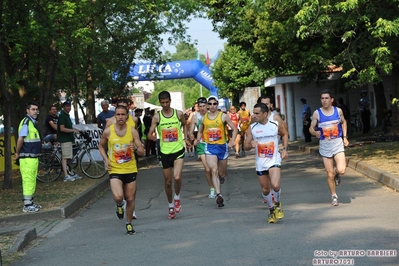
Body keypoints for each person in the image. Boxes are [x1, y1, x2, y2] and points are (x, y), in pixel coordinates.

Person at [98, 105, 145, 235]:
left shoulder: (132, 131)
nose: (120, 117)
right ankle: (119, 205)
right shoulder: (108, 131)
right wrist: (106, 160)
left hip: (130, 168)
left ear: (127, 116)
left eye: (123, 114)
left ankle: (129, 223)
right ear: (115, 116)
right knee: (118, 197)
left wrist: (135, 148)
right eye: (118, 114)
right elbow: (101, 147)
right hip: (115, 169)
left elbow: (142, 151)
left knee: (130, 199)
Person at [147, 91, 190, 219]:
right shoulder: (157, 117)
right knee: (168, 182)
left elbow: (184, 125)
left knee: (177, 177)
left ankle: (177, 197)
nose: (165, 104)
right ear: (160, 102)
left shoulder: (178, 114)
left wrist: (185, 137)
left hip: (178, 149)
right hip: (164, 152)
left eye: (167, 102)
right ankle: (170, 204)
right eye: (163, 102)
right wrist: (154, 139)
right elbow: (150, 133)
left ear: (170, 101)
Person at [244, 103, 289, 223]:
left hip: (274, 159)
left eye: (257, 113)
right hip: (260, 162)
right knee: (265, 189)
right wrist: (250, 145)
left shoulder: (274, 124)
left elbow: (284, 134)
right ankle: (271, 210)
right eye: (254, 113)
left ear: (265, 114)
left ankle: (278, 204)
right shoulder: (252, 128)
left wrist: (285, 149)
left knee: (275, 185)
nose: (254, 115)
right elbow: (246, 146)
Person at [194, 96, 238, 208]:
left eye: (214, 104)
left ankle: (221, 178)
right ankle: (219, 195)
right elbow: (200, 131)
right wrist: (197, 140)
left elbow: (234, 128)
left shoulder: (222, 116)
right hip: (210, 147)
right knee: (213, 170)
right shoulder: (204, 118)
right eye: (210, 104)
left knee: (222, 173)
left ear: (217, 104)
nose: (212, 106)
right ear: (208, 105)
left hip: (222, 147)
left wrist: (232, 141)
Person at [309, 89, 349, 206]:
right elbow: (311, 127)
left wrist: (345, 137)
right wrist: (314, 132)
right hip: (325, 145)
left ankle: (337, 174)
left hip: (337, 143)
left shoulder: (338, 111)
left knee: (341, 170)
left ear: (332, 100)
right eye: (322, 98)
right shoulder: (317, 113)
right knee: (329, 173)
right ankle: (334, 196)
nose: (324, 100)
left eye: (327, 98)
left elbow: (344, 122)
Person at [15, 101, 43, 213]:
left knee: (31, 180)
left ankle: (30, 202)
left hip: (32, 157)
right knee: (28, 180)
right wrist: (17, 153)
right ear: (27, 110)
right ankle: (27, 205)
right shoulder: (26, 122)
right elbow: (20, 139)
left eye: (36, 109)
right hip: (27, 157)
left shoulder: (32, 123)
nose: (35, 111)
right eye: (33, 109)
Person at [189, 97, 215, 198]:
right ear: (197, 107)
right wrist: (191, 137)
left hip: (213, 143)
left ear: (207, 106)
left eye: (204, 106)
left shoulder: (212, 115)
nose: (202, 108)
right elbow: (191, 131)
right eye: (200, 106)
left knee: (215, 169)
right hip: (202, 144)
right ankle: (212, 189)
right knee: (207, 169)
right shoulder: (195, 117)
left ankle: (218, 179)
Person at [57, 100, 82, 182]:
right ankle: (66, 176)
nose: (69, 107)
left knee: (69, 157)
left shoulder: (67, 116)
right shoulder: (62, 116)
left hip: (69, 139)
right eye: (67, 106)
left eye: (69, 106)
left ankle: (70, 172)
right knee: (65, 157)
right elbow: (62, 128)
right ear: (64, 107)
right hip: (65, 139)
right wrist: (73, 131)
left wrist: (76, 130)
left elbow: (69, 127)